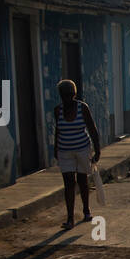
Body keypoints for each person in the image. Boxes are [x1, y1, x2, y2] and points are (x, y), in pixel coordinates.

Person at [52, 79, 101, 230]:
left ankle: (86, 210)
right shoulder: (58, 110)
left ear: (74, 94)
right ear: (60, 95)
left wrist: (97, 149)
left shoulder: (82, 108)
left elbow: (92, 128)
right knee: (68, 183)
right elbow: (58, 131)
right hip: (64, 150)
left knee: (82, 180)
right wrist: (56, 148)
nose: (66, 97)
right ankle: (70, 218)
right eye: (63, 95)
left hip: (82, 149)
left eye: (69, 94)